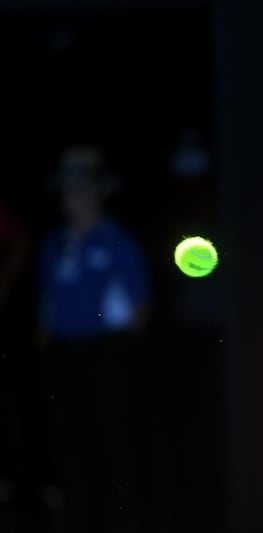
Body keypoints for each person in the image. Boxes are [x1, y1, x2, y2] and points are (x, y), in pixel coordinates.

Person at [33, 144, 151, 533]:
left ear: (100, 190)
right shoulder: (53, 246)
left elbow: (139, 309)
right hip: (63, 358)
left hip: (107, 357)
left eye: (82, 186)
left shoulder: (119, 242)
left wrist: (114, 350)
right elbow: (47, 305)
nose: (74, 195)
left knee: (114, 448)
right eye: (68, 186)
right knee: (69, 450)